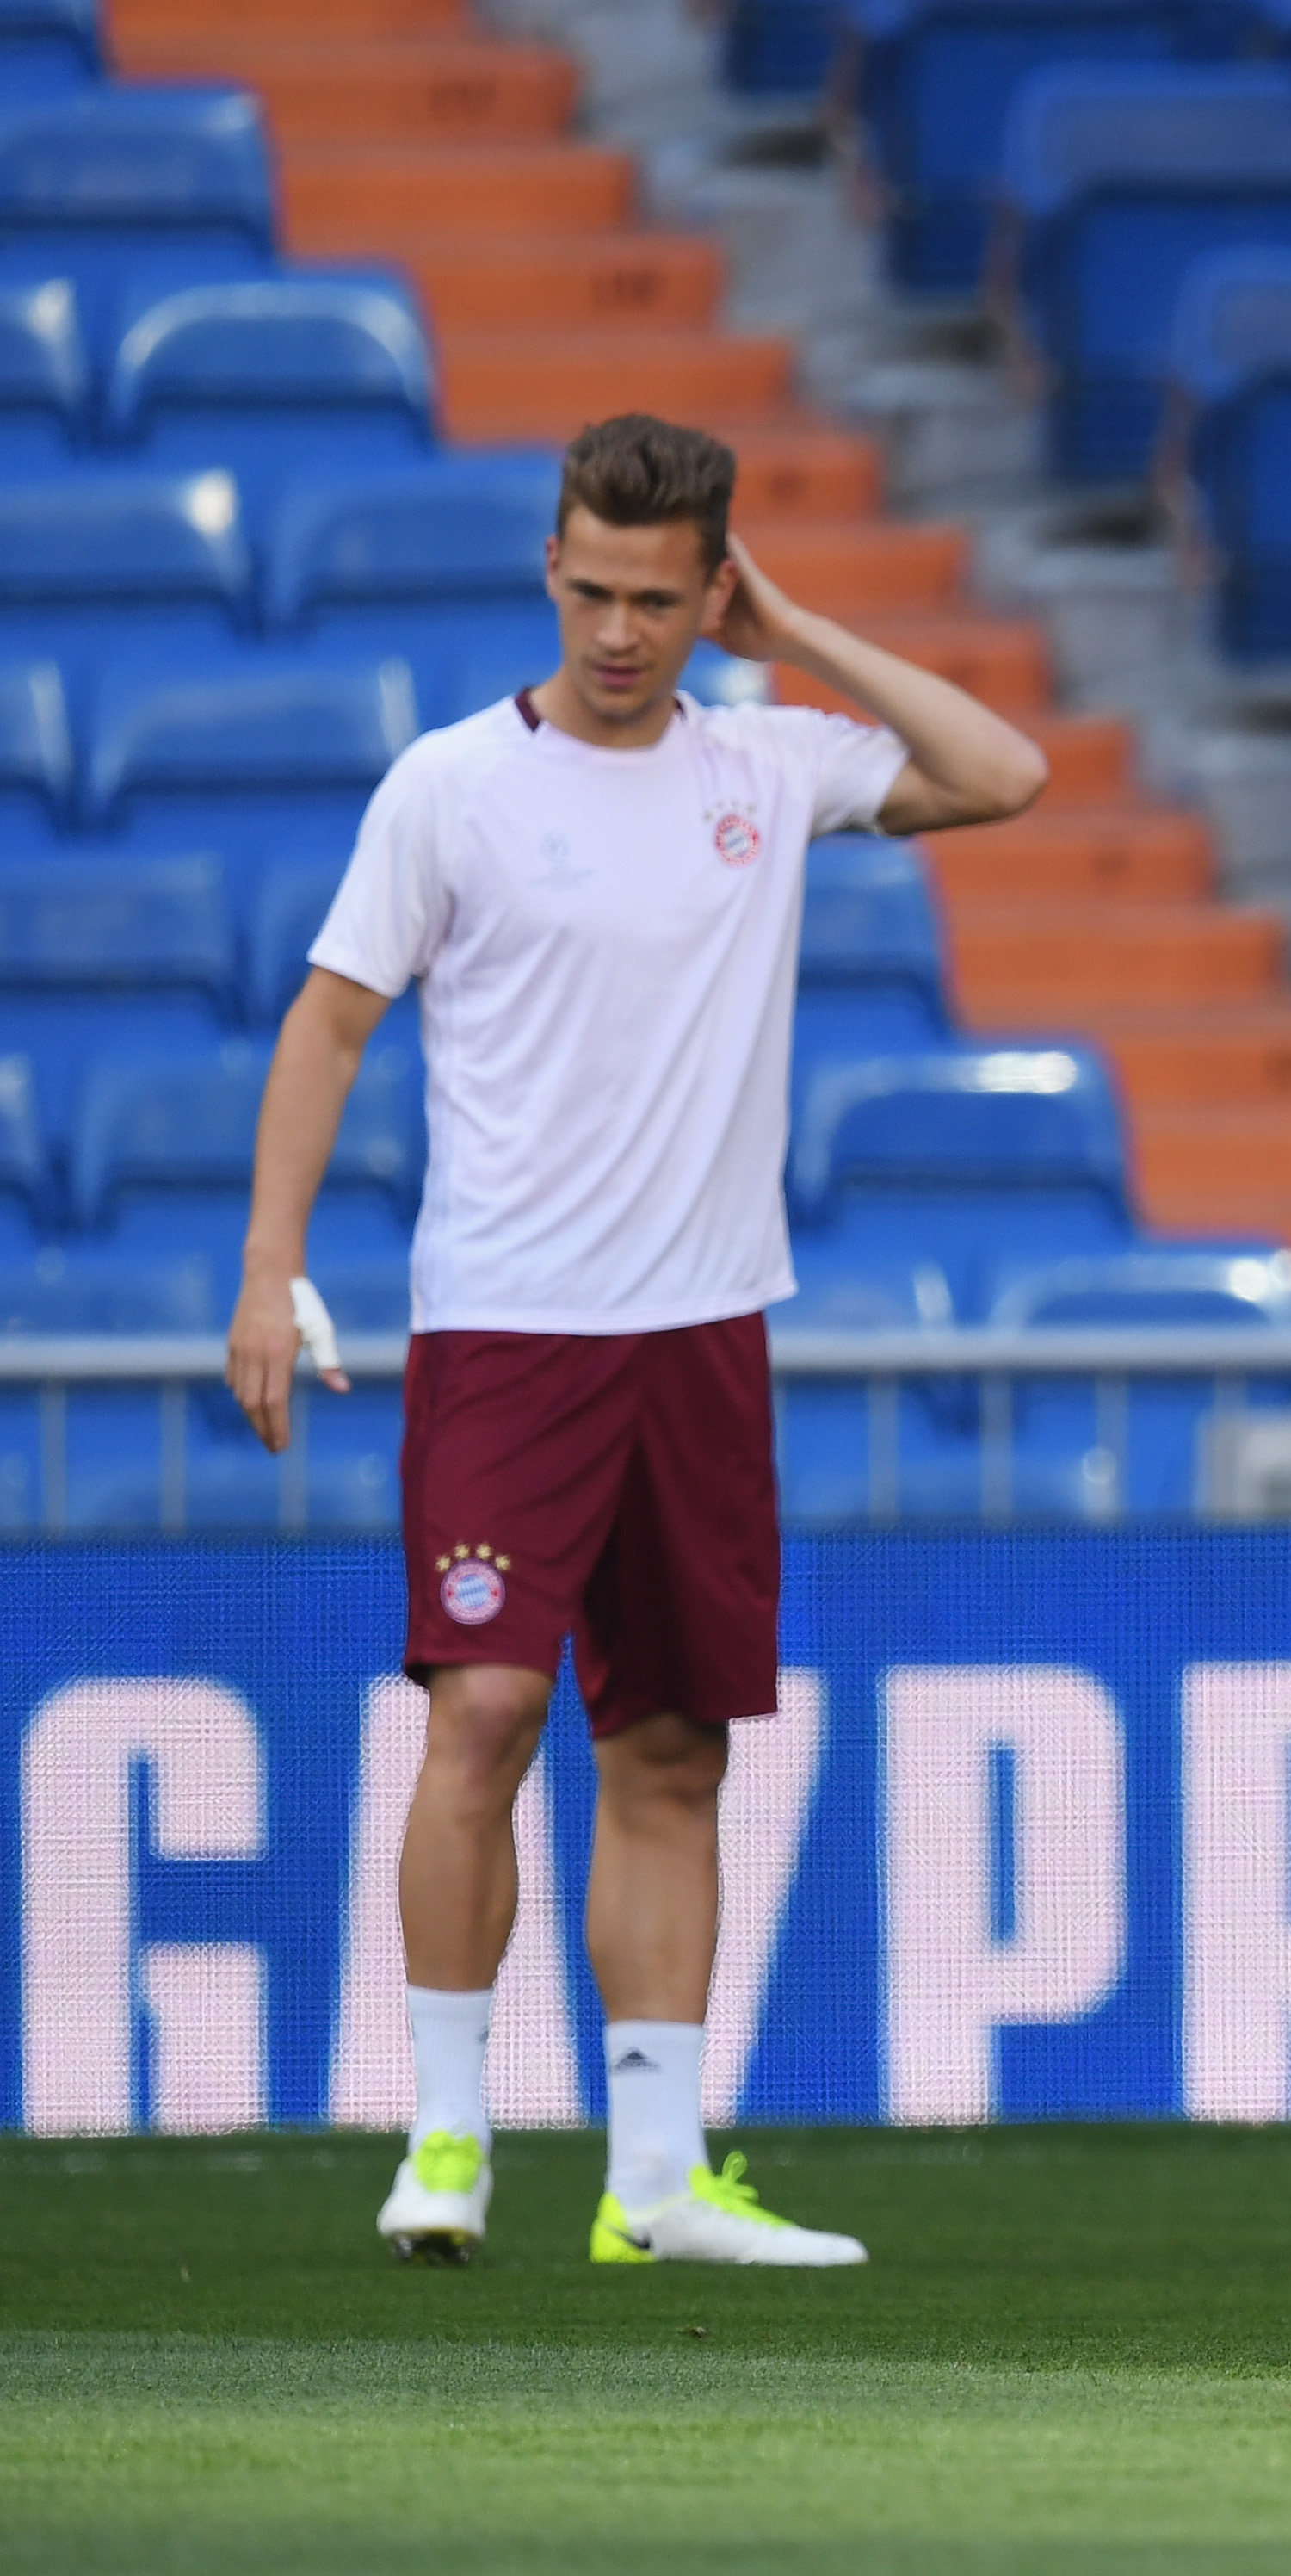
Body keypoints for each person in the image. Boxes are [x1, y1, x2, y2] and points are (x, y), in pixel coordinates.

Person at [227, 413, 1050, 2267]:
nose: (618, 630)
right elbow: (327, 1024)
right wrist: (271, 1264)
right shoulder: (449, 786)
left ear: (708, 591)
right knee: (488, 1711)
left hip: (701, 1331)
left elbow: (1004, 772)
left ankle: (658, 2179)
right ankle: (445, 2139)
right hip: (508, 1326)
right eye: (592, 590)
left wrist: (800, 630)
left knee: (673, 1749)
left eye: (659, 599)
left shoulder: (763, 758)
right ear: (550, 569)